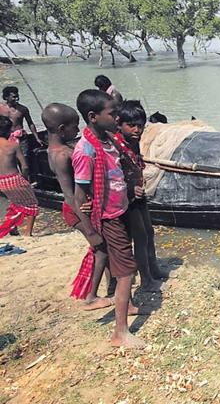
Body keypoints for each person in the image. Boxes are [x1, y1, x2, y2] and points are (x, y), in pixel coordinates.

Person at [73, 89, 144, 348]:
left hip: (119, 208)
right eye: (112, 113)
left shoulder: (108, 141)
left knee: (121, 264)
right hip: (108, 217)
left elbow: (116, 174)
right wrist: (91, 231)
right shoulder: (86, 150)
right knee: (126, 272)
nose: (117, 118)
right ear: (93, 116)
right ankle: (120, 333)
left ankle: (128, 304)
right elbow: (79, 194)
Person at [42, 103, 114, 310]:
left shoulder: (54, 150)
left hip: (80, 207)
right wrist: (89, 229)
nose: (77, 130)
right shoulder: (63, 155)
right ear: (62, 129)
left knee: (105, 245)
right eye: (75, 127)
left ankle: (111, 285)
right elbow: (69, 194)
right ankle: (91, 296)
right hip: (76, 209)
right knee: (101, 248)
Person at [113, 100, 168, 292]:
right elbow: (113, 175)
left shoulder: (133, 143)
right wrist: (129, 188)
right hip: (127, 197)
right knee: (140, 236)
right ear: (119, 124)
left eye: (141, 126)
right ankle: (146, 278)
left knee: (149, 232)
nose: (137, 130)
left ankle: (153, 268)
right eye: (132, 126)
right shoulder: (116, 146)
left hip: (139, 194)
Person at [0, 115, 38, 237]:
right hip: (14, 178)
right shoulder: (13, 146)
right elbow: (25, 166)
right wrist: (25, 180)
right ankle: (28, 233)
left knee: (16, 203)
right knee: (32, 204)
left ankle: (13, 228)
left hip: (2, 182)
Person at [0, 86, 45, 156]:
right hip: (5, 137)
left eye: (17, 96)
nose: (17, 99)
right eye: (14, 97)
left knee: (24, 156)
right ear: (6, 97)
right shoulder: (1, 108)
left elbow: (30, 123)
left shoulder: (23, 109)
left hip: (21, 137)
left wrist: (37, 137)